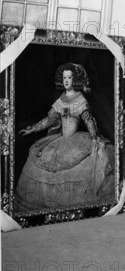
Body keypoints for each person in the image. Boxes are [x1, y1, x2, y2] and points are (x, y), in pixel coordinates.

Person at [15, 63, 114, 211]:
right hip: (60, 140)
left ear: (75, 80)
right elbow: (50, 120)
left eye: (69, 77)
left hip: (76, 141)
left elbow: (89, 120)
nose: (66, 80)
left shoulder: (81, 100)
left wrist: (93, 138)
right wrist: (33, 129)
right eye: (64, 77)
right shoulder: (61, 100)